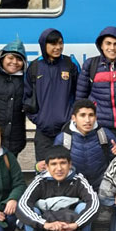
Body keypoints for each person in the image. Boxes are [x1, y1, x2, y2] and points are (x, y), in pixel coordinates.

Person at [24, 28, 79, 169]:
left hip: (67, 130)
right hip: (43, 132)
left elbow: (80, 94)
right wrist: (39, 119)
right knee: (44, 171)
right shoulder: (35, 67)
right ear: (43, 45)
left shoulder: (70, 64)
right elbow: (27, 97)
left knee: (67, 170)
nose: (58, 47)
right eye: (53, 44)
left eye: (60, 43)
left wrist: (73, 117)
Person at [75, 26, 116, 144]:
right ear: (101, 45)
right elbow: (81, 98)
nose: (112, 48)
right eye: (108, 43)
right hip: (99, 127)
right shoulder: (91, 65)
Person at [54, 99, 116, 190]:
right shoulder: (63, 139)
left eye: (91, 115)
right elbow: (53, 167)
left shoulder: (104, 134)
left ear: (96, 117)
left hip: (102, 188)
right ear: (74, 118)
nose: (87, 120)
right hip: (74, 190)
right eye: (82, 115)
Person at [0, 39, 28, 157]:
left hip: (16, 137)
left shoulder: (26, 80)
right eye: (10, 58)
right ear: (2, 58)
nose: (14, 62)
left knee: (9, 171)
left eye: (19, 59)